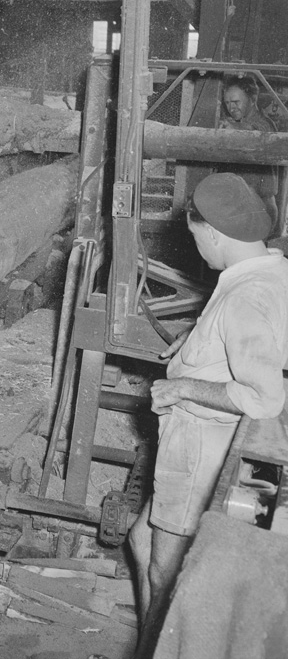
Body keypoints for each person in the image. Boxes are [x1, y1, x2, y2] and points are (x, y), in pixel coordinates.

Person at [129, 172, 288, 656]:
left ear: (215, 233)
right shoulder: (270, 271)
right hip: (219, 446)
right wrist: (197, 339)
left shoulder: (245, 297)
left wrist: (182, 386)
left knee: (166, 571)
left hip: (202, 449)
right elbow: (251, 336)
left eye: (196, 235)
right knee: (141, 540)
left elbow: (263, 396)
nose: (196, 247)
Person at [218, 76, 279, 230]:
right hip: (242, 205)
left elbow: (256, 132)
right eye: (227, 103)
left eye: (236, 102)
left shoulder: (265, 124)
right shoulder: (236, 122)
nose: (231, 108)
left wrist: (235, 130)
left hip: (259, 207)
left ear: (252, 99)